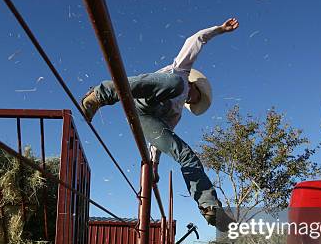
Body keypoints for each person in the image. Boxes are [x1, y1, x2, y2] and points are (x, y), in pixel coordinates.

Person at [80, 18, 239, 226]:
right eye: (195, 95)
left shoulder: (176, 113)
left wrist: (153, 167)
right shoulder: (182, 71)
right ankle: (100, 94)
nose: (191, 99)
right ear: (195, 85)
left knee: (187, 155)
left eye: (194, 101)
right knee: (174, 83)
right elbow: (196, 39)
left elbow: (158, 138)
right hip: (143, 94)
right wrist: (219, 30)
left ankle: (209, 207)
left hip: (146, 118)